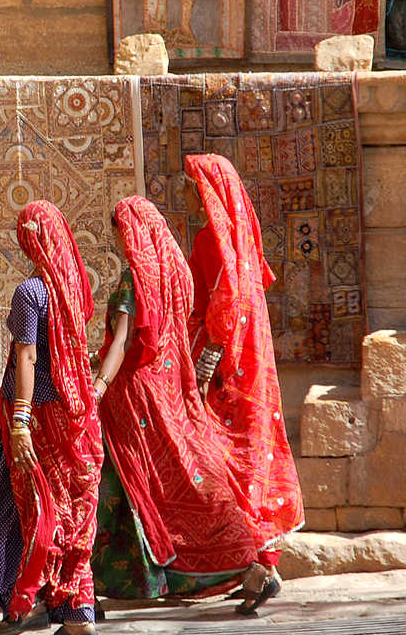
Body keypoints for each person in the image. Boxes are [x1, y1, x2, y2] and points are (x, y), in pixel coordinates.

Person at [89, 195, 271, 609]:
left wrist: (99, 384)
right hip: (172, 388)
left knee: (138, 486)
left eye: (118, 232)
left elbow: (122, 342)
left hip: (135, 399)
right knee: (184, 479)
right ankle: (243, 564)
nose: (117, 241)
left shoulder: (133, 281)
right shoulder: (174, 276)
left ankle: (245, 564)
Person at [0, 200, 103, 635]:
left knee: (36, 508)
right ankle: (75, 611)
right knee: (71, 510)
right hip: (77, 417)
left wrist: (21, 422)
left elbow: (27, 356)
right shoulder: (75, 289)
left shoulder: (31, 293)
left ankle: (28, 601)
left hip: (41, 415)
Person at [183, 154, 305, 613]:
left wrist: (203, 367)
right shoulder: (243, 244)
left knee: (222, 463)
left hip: (227, 373)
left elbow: (222, 306)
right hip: (255, 368)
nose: (193, 198)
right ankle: (263, 563)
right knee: (256, 455)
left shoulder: (210, 242)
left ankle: (255, 566)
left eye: (197, 189)